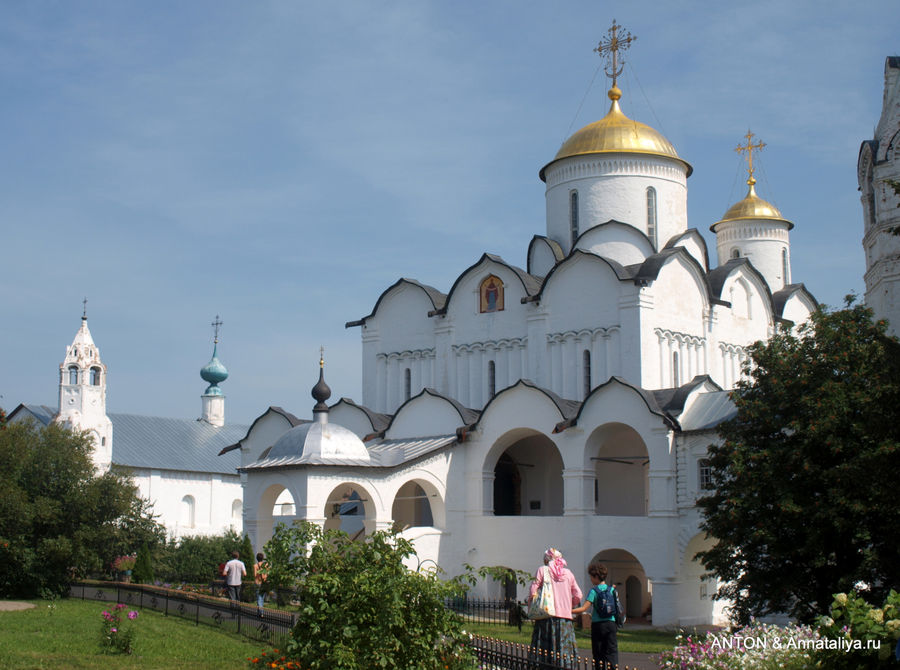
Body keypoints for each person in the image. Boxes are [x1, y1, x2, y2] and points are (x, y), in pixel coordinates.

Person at [527, 547, 582, 666]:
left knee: (545, 651)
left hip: (546, 615)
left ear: (546, 560)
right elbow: (578, 595)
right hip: (565, 619)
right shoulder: (568, 573)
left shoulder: (542, 570)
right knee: (563, 649)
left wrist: (531, 605)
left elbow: (533, 591)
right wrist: (568, 605)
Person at [572, 562, 622, 670]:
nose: (590, 579)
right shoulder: (612, 590)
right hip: (611, 624)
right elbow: (618, 607)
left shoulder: (594, 591)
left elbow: (584, 608)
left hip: (598, 625)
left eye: (591, 576)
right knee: (612, 651)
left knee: (598, 653)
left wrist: (569, 610)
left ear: (595, 577)